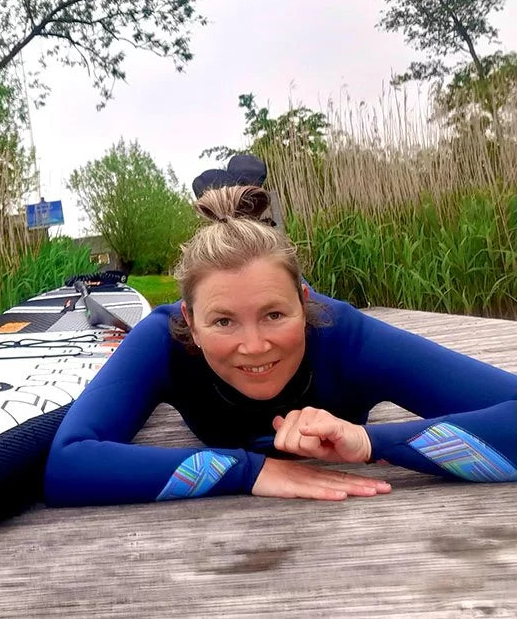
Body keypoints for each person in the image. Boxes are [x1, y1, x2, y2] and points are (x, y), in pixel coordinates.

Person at [44, 185, 517, 505]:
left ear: (304, 300)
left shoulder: (345, 336)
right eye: (223, 321)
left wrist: (369, 441)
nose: (254, 346)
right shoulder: (165, 340)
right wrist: (247, 471)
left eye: (274, 315)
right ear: (189, 319)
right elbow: (68, 465)